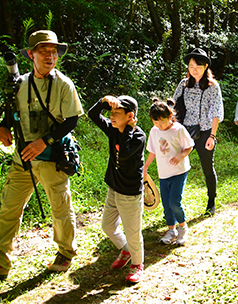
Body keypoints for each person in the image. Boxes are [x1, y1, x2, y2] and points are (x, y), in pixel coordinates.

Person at [0, 30, 83, 279]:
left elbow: (71, 120)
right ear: (31, 55)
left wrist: (45, 141)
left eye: (53, 52)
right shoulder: (19, 83)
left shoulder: (63, 84)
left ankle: (65, 253)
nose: (50, 56)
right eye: (44, 52)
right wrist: (4, 126)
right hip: (23, 157)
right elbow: (12, 110)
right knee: (9, 206)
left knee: (60, 208)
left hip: (52, 155)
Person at [88, 95, 146, 283]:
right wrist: (105, 101)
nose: (111, 116)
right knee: (107, 226)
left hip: (130, 192)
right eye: (111, 113)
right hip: (114, 187)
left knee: (133, 231)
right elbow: (93, 114)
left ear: (130, 116)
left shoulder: (138, 136)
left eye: (117, 113)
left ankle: (137, 264)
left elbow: (126, 153)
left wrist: (127, 130)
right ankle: (126, 249)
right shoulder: (112, 129)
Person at [173, 48, 224, 216]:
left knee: (208, 167)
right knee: (176, 165)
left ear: (205, 66)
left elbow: (216, 112)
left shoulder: (213, 87)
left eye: (198, 66)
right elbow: (173, 105)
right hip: (185, 131)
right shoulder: (184, 84)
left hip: (204, 132)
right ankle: (173, 204)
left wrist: (212, 136)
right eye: (191, 66)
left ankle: (211, 202)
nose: (194, 70)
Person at [144, 99, 195, 246]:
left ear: (170, 115)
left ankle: (182, 227)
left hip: (179, 171)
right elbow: (152, 151)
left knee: (175, 202)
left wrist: (180, 156)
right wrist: (145, 167)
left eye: (162, 121)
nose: (159, 125)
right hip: (163, 173)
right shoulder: (154, 131)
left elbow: (189, 146)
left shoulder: (178, 129)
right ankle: (171, 230)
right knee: (166, 204)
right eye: (156, 122)